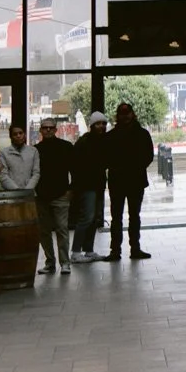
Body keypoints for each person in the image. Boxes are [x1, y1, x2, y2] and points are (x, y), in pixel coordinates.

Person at [103, 103, 154, 261]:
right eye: (123, 113)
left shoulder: (111, 136)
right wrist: (137, 167)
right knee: (131, 216)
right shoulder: (142, 134)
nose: (125, 116)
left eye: (126, 113)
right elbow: (148, 156)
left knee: (120, 217)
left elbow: (106, 158)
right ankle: (132, 249)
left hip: (121, 180)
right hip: (134, 179)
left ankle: (117, 251)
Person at [34, 118, 74, 275]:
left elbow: (74, 169)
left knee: (62, 229)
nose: (48, 130)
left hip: (61, 194)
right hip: (41, 195)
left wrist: (71, 189)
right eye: (45, 128)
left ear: (56, 130)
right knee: (44, 231)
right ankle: (50, 262)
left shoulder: (66, 147)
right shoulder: (35, 150)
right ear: (41, 130)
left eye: (51, 128)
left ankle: (65, 262)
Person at [69, 111, 108, 264]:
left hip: (98, 184)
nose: (102, 126)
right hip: (87, 186)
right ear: (92, 125)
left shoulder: (102, 141)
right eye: (98, 123)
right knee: (87, 217)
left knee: (93, 218)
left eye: (104, 123)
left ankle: (89, 250)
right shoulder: (84, 142)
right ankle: (76, 251)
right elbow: (75, 165)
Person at [0, 124, 40, 194]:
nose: (18, 136)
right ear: (11, 137)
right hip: (10, 195)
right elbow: (3, 176)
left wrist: (26, 191)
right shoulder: (4, 153)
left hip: (29, 194)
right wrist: (18, 192)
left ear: (24, 134)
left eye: (20, 133)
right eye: (15, 134)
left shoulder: (33, 151)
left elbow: (36, 173)